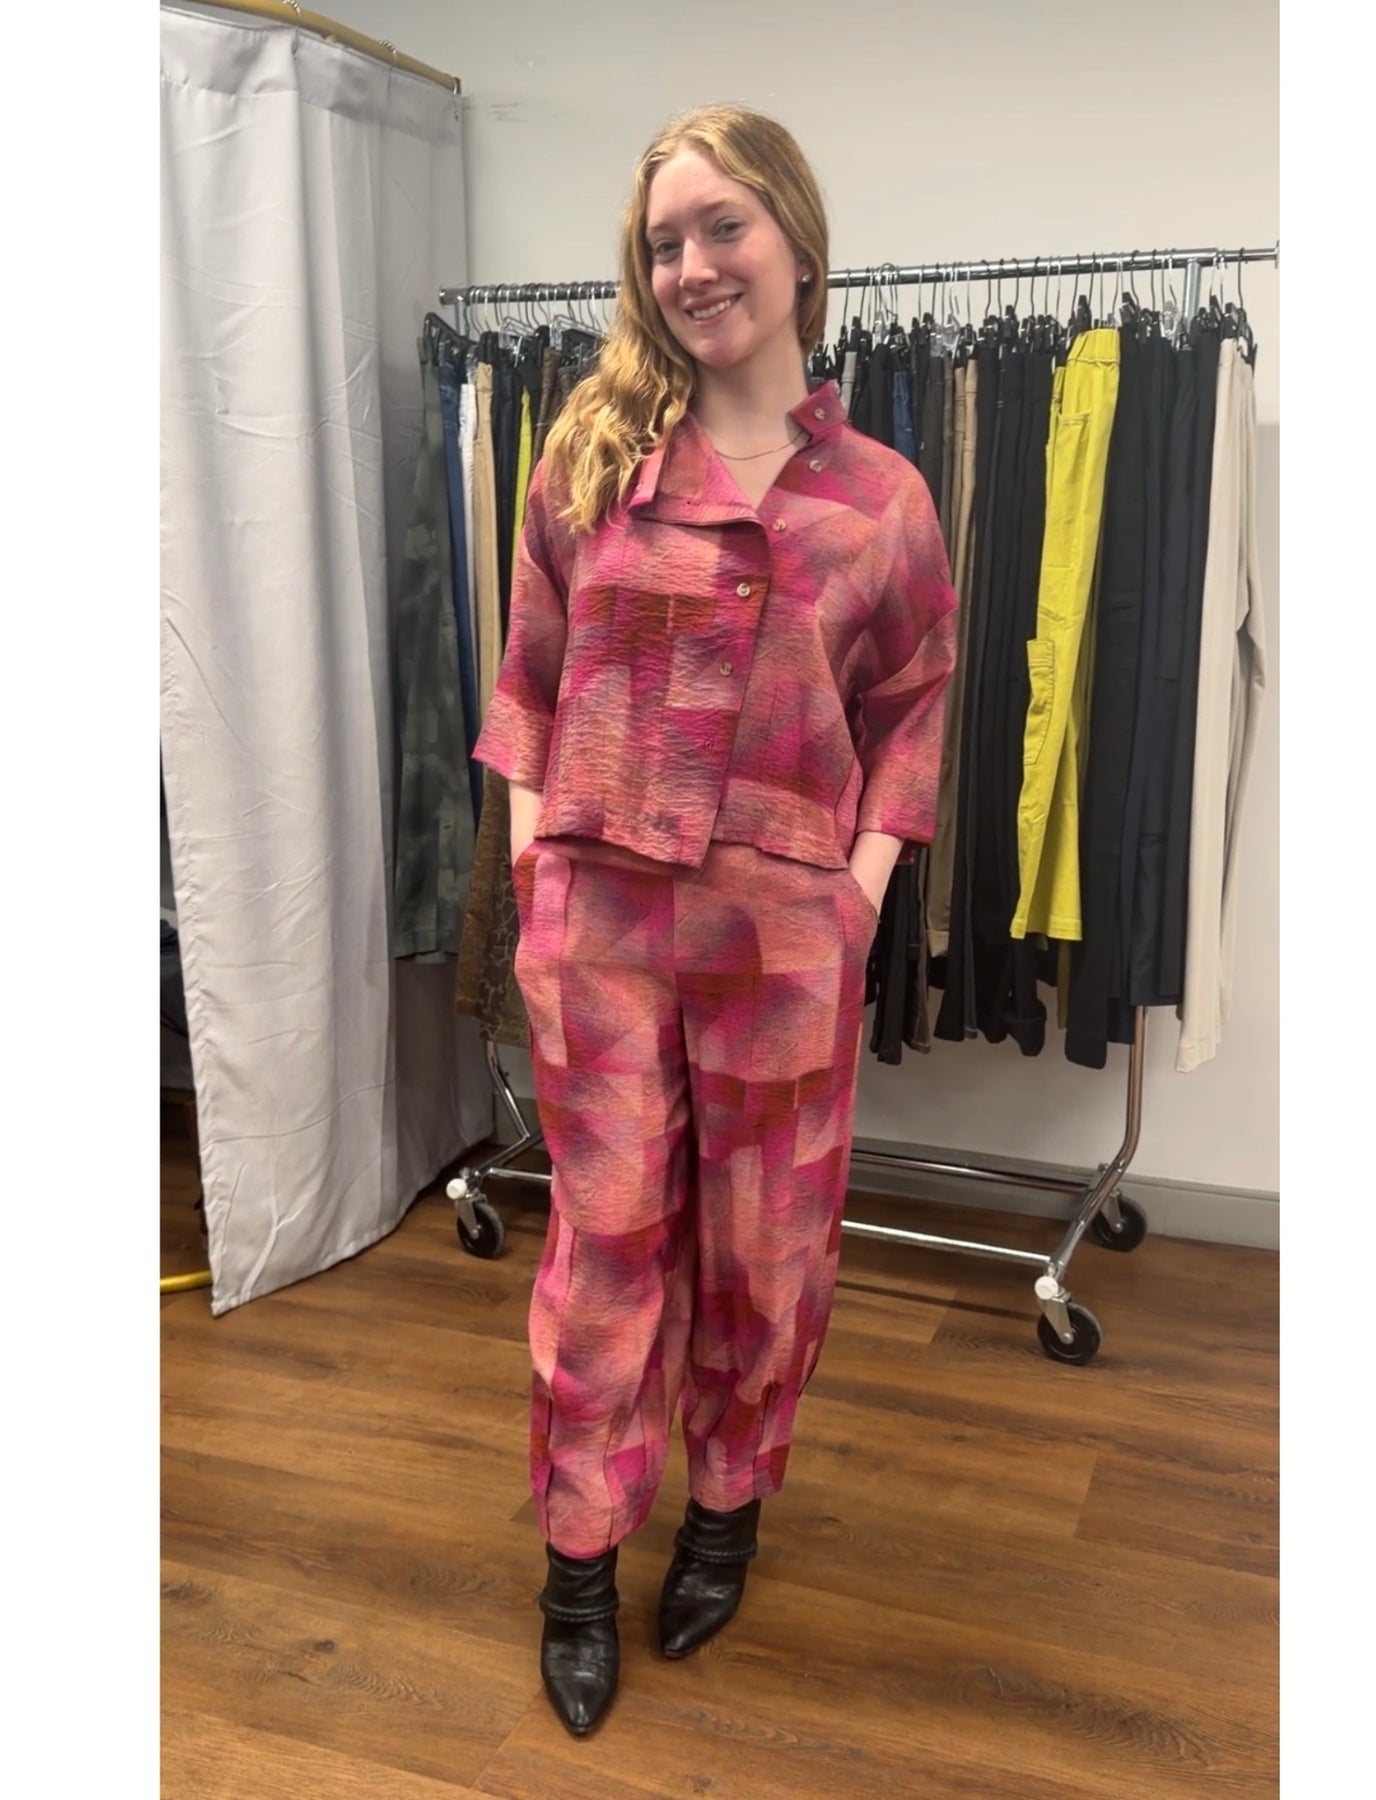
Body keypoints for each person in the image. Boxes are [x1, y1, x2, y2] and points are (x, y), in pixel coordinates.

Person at [472, 103, 957, 1738]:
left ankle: (727, 1513)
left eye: (723, 226)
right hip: (601, 929)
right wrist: (538, 878)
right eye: (664, 241)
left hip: (784, 945)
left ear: (797, 241)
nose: (692, 265)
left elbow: (915, 708)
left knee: (766, 1250)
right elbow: (526, 687)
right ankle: (578, 1566)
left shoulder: (882, 500)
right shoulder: (589, 458)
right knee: (603, 1250)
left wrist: (860, 891)